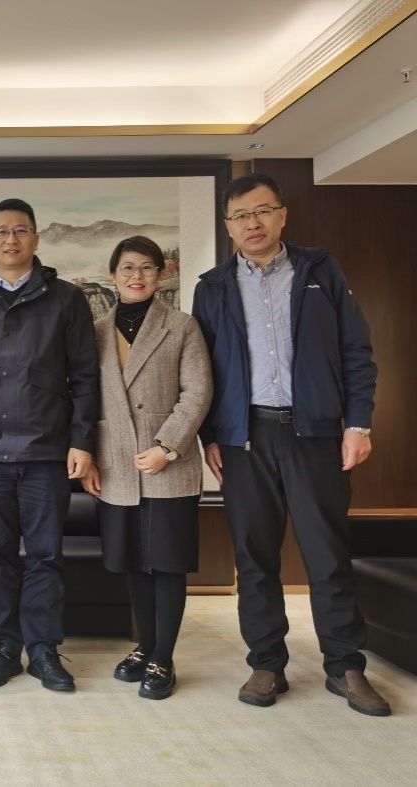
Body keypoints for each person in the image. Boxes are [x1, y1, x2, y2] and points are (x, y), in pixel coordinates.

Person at [193, 173, 389, 716]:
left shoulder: (319, 271)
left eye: (262, 211)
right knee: (254, 556)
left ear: (282, 215)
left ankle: (345, 666)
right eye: (240, 216)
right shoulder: (212, 287)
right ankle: (266, 663)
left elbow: (356, 351)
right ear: (228, 227)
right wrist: (211, 436)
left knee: (327, 554)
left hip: (314, 432)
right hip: (244, 438)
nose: (252, 223)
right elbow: (202, 369)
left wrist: (359, 424)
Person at [0, 198, 99, 693]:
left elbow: (85, 377)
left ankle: (44, 650)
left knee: (45, 556)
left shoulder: (66, 300)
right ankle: (4, 648)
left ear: (35, 238)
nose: (10, 240)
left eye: (20, 231)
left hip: (46, 453)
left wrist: (81, 441)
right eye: (1, 232)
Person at [80, 236, 212, 700]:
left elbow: (197, 392)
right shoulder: (95, 331)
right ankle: (144, 646)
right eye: (128, 268)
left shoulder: (181, 326)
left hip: (167, 465)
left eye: (147, 268)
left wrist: (167, 446)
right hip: (116, 464)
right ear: (113, 274)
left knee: (167, 565)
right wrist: (89, 456)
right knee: (134, 563)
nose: (137, 276)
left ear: (161, 274)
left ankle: (164, 658)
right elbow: (84, 398)